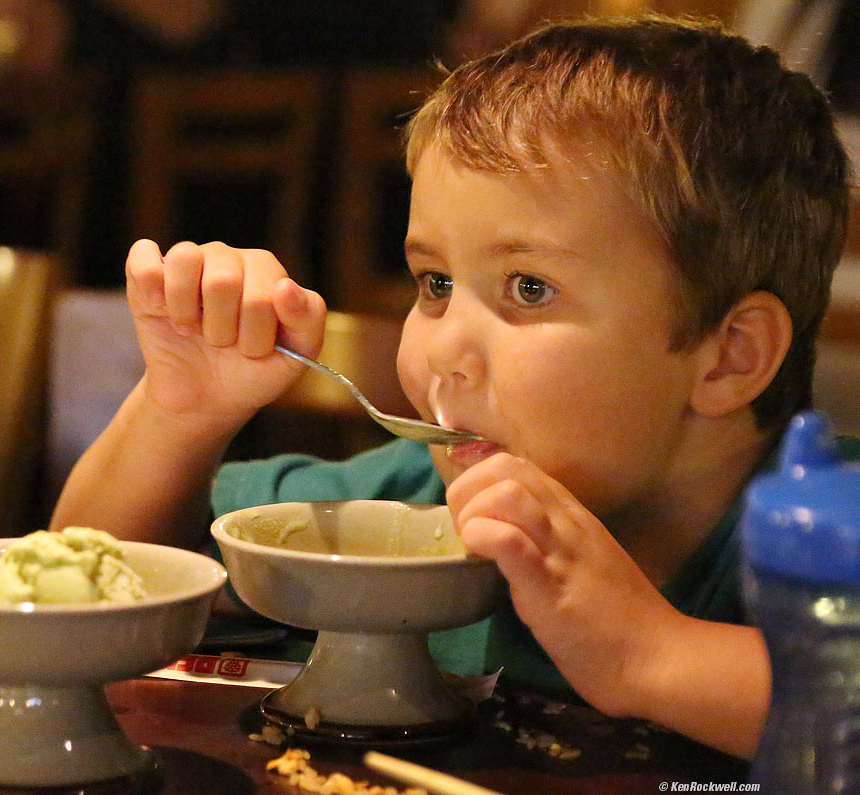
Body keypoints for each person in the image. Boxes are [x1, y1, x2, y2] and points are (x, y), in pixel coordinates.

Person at [51, 15, 855, 759]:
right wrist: (178, 414)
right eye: (434, 282)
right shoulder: (406, 512)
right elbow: (82, 590)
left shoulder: (829, 525)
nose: (444, 351)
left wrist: (651, 653)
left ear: (729, 356)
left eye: (528, 288)